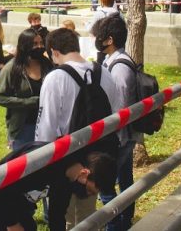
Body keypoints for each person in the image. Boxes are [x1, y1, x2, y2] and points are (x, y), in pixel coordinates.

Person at [36, 28, 123, 227]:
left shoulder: (55, 78)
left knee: (60, 216)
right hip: (96, 159)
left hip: (65, 160)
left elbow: (46, 128)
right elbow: (116, 114)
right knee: (87, 215)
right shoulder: (105, 73)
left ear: (54, 51)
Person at [0, 143, 116, 231]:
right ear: (85, 173)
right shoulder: (40, 162)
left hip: (17, 203)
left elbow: (57, 214)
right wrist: (12, 224)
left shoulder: (69, 178)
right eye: (89, 190)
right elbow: (3, 189)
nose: (88, 195)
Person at [93, 15, 139, 231]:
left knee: (106, 182)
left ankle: (116, 225)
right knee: (125, 178)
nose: (97, 40)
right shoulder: (113, 61)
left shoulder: (119, 66)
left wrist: (110, 136)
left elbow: (119, 107)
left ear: (109, 40)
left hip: (119, 136)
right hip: (122, 135)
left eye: (100, 36)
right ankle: (125, 220)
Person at [0, 29, 53, 149]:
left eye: (41, 43)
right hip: (23, 127)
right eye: (35, 44)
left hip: (47, 124)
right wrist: (29, 102)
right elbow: (0, 98)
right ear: (25, 46)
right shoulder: (11, 69)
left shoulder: (47, 65)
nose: (40, 47)